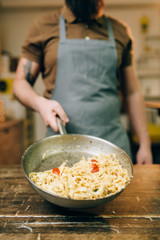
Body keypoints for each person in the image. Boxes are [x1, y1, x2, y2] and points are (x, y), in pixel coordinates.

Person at [12, 0, 153, 164]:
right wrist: (40, 103)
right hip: (61, 151)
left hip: (113, 150)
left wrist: (145, 144)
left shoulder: (120, 31)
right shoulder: (42, 27)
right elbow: (20, 83)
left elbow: (132, 92)